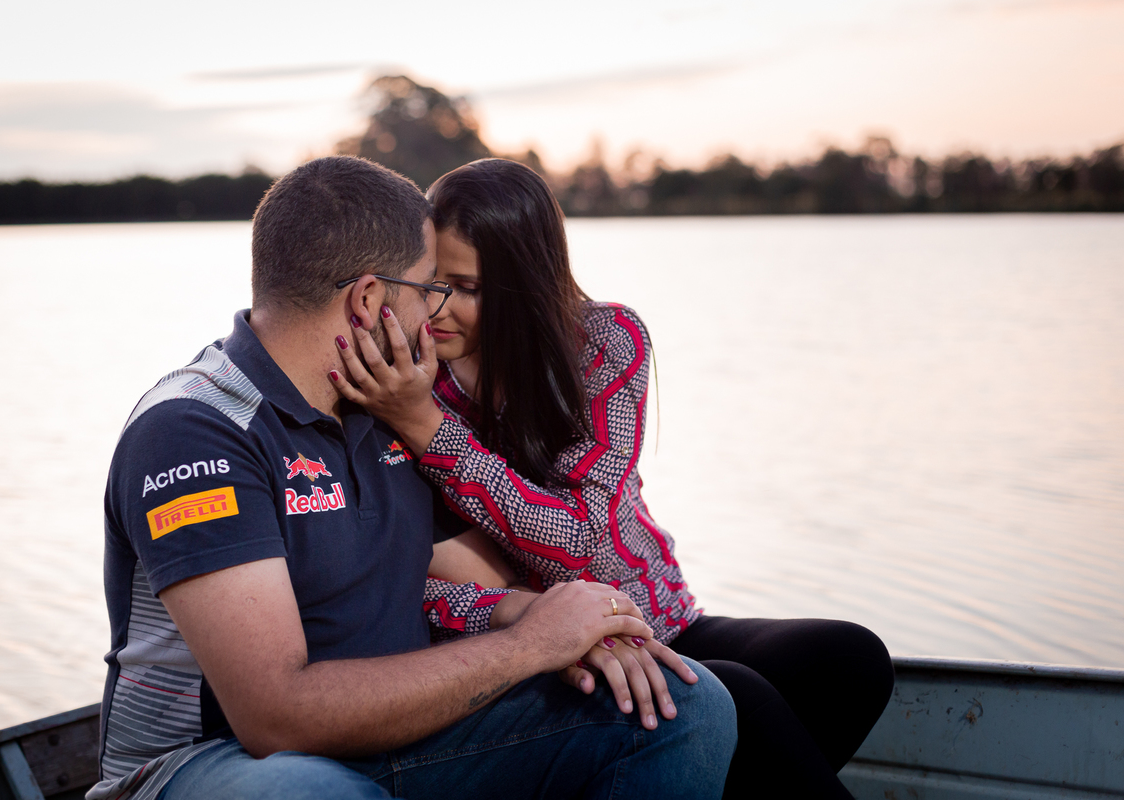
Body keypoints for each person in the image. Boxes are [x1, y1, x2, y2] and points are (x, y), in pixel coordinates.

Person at [88, 156, 739, 800]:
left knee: (686, 706)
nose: (437, 313)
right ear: (369, 299)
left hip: (403, 734)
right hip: (215, 760)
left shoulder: (385, 405)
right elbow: (275, 719)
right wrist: (529, 647)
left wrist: (570, 626)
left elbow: (475, 579)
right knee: (312, 792)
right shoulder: (197, 431)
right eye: (430, 288)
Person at [330, 158, 895, 799]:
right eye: (433, 283)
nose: (439, 310)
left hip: (656, 613)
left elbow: (582, 540)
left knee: (849, 661)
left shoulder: (603, 342)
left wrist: (431, 430)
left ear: (523, 283)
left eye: (470, 288)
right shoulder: (401, 383)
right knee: (735, 696)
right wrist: (417, 414)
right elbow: (406, 577)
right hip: (535, 644)